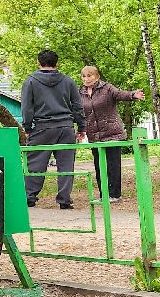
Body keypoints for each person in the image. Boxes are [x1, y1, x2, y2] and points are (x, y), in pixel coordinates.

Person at [20, 49, 85, 209]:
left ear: (38, 62)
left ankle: (30, 197)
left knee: (35, 163)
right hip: (65, 127)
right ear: (57, 63)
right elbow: (77, 106)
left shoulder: (30, 81)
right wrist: (81, 126)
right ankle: (64, 200)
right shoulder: (68, 81)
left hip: (42, 127)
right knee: (66, 164)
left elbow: (27, 107)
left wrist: (27, 127)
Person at [78, 65, 146, 202]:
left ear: (96, 76)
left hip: (112, 133)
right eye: (84, 76)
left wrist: (133, 95)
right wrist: (81, 130)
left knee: (113, 165)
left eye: (89, 75)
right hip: (94, 135)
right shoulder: (80, 93)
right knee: (99, 165)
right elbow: (80, 113)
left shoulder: (107, 88)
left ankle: (115, 195)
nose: (86, 79)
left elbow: (120, 94)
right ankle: (104, 194)